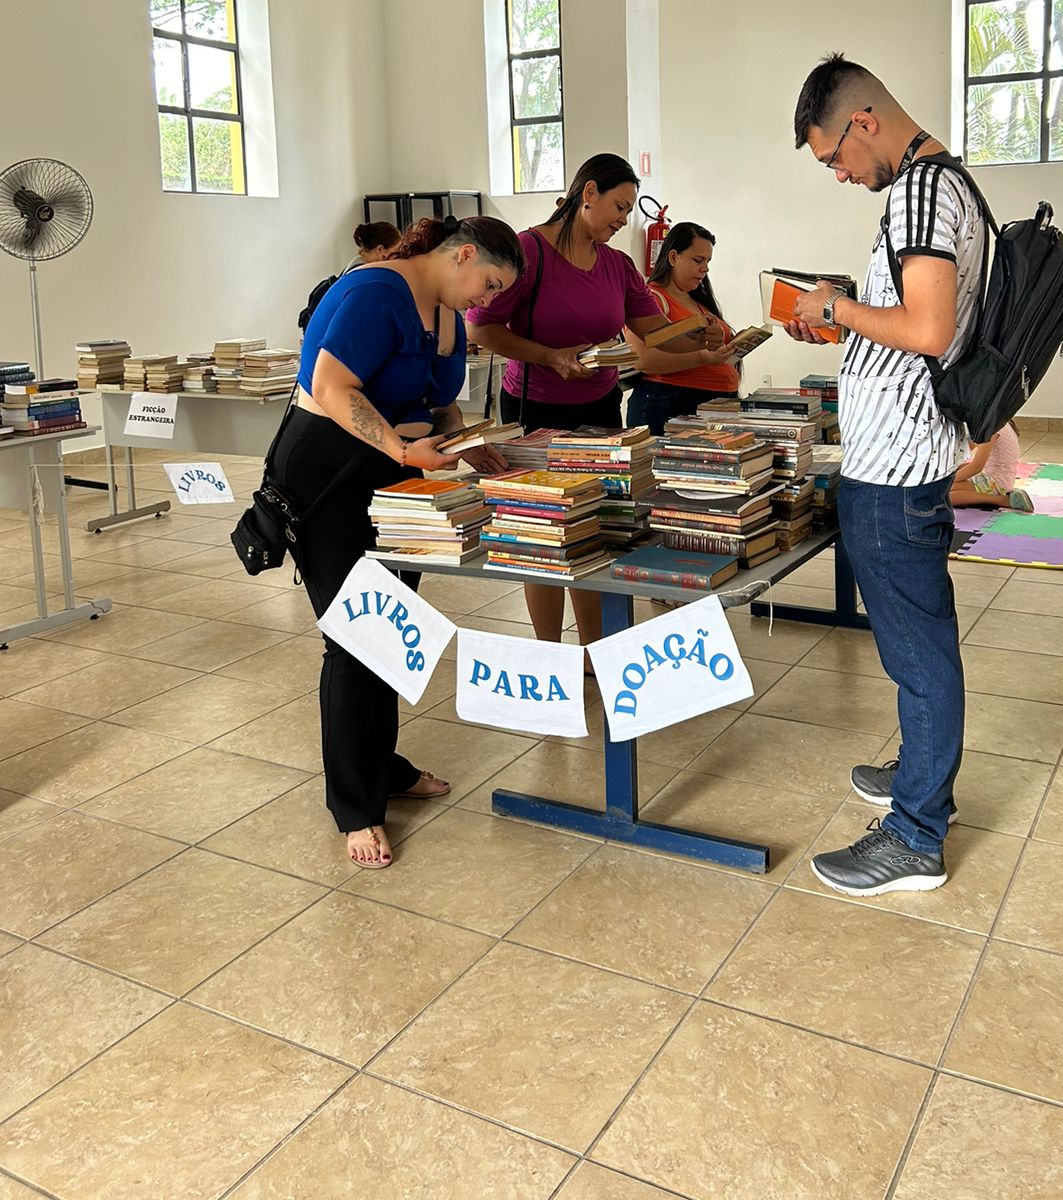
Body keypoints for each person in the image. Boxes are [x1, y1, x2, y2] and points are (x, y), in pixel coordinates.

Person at [786, 53, 987, 897]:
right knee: (916, 641)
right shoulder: (948, 187)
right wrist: (845, 303)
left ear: (863, 121)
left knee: (917, 648)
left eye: (833, 155)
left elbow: (931, 328)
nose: (837, 174)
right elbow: (909, 314)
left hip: (895, 461)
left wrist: (834, 309)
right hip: (906, 452)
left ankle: (914, 836)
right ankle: (919, 772)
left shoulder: (918, 191)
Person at [274, 214, 525, 869]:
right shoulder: (374, 292)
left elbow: (438, 399)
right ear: (461, 254)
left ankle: (382, 767)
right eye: (489, 282)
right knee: (356, 637)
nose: (488, 300)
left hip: (399, 473)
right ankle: (355, 809)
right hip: (330, 473)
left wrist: (470, 445)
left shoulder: (445, 308)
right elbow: (331, 388)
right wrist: (402, 448)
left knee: (390, 626)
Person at [468, 153, 718, 648]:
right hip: (535, 408)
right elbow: (482, 327)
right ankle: (548, 650)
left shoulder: (617, 265)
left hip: (600, 409)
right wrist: (548, 355)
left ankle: (591, 649)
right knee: (541, 530)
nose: (623, 219)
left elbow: (655, 333)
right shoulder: (528, 251)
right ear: (588, 195)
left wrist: (708, 341)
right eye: (619, 207)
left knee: (595, 527)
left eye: (628, 212)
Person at [626, 222, 740, 436]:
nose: (705, 268)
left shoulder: (698, 301)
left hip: (710, 405)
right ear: (673, 258)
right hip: (670, 402)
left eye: (707, 262)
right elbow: (642, 359)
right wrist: (702, 358)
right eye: (698, 260)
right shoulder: (652, 299)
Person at [297, 221, 403, 332]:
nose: (398, 257)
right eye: (396, 252)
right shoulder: (365, 277)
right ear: (380, 250)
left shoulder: (355, 266)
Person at [949, 423, 1033, 512]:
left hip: (996, 481)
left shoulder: (991, 429)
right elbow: (969, 447)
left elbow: (977, 467)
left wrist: (950, 479)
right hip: (1000, 476)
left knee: (944, 495)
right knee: (946, 486)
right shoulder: (999, 422)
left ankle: (1004, 500)